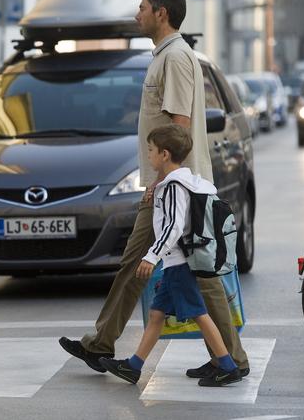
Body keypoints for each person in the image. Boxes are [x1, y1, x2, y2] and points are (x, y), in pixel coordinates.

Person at [59, 0, 250, 380]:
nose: (137, 14)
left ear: (161, 13)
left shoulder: (177, 57)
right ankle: (102, 343)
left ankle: (232, 359)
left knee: (199, 273)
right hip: (167, 184)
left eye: (142, 7)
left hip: (175, 188)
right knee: (144, 264)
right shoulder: (165, 56)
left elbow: (178, 127)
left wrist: (160, 183)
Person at [99, 125, 243, 387]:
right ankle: (133, 366)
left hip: (179, 263)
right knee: (157, 314)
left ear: (165, 154)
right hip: (177, 262)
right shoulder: (192, 182)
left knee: (200, 314)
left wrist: (151, 256)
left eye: (151, 150)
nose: (149, 155)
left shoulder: (175, 186)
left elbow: (174, 226)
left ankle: (227, 365)